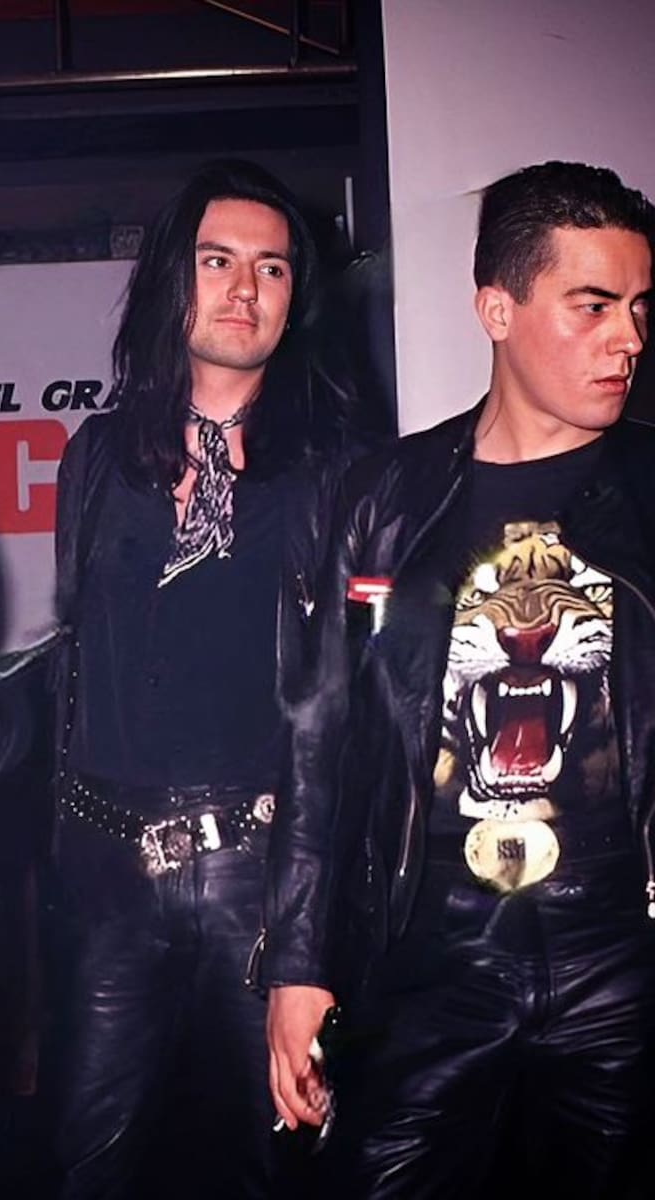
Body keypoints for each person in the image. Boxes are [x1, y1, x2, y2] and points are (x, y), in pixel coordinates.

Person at [265, 160, 655, 1198]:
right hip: (428, 946)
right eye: (594, 305)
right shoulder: (382, 498)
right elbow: (318, 740)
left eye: (639, 307)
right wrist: (298, 964)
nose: (629, 338)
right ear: (498, 309)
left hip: (620, 946)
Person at [50, 158, 360, 1199]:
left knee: (275, 1168)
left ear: (295, 295)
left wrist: (309, 937)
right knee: (81, 1167)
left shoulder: (343, 471)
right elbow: (77, 662)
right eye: (217, 260)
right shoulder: (96, 456)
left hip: (263, 878)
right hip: (106, 877)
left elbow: (349, 715)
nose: (244, 288)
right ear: (170, 281)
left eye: (271, 268)